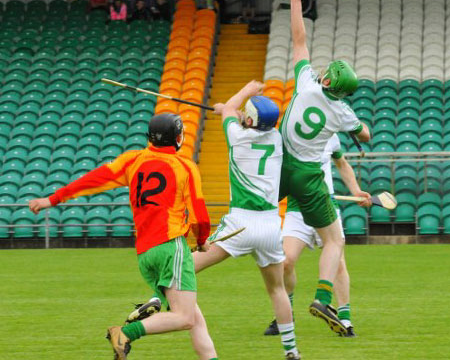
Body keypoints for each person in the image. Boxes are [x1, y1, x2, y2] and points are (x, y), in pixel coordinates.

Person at [132, 82, 301, 359]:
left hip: (240, 225)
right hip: (271, 226)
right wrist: (231, 110)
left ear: (248, 120)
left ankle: (158, 299)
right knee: (277, 289)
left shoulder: (237, 136)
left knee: (184, 265)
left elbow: (232, 109)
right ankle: (292, 350)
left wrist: (245, 91)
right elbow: (237, 113)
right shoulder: (277, 140)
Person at [28, 114, 218, 360]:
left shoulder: (133, 160)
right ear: (179, 138)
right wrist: (202, 240)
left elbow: (93, 179)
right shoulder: (185, 167)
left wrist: (52, 199)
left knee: (194, 318)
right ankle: (127, 332)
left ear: (149, 137)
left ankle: (158, 305)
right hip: (171, 247)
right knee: (185, 318)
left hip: (145, 254)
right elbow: (200, 217)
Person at [278, 0, 371, 336]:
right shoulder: (341, 116)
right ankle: (305, 303)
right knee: (313, 253)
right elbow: (364, 134)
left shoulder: (306, 84)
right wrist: (356, 125)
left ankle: (343, 314)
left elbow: (299, 40)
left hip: (297, 177)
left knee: (337, 253)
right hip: (308, 192)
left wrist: (295, 0)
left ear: (328, 79)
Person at [264, 134, 371, 337]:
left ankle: (345, 319)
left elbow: (341, 163)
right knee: (285, 262)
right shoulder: (287, 136)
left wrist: (356, 190)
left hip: (326, 205)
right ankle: (286, 314)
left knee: (338, 263)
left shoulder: (331, 136)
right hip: (297, 209)